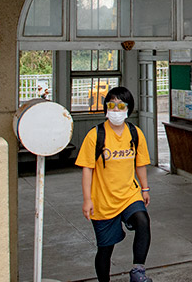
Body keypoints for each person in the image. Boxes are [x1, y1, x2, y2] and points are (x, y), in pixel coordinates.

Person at [75, 86, 153, 282]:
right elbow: (87, 169)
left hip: (129, 194)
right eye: (112, 105)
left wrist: (144, 188)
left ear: (128, 109)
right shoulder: (95, 135)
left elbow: (140, 164)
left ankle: (138, 271)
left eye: (120, 105)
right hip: (103, 200)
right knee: (105, 249)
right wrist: (87, 200)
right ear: (106, 108)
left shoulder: (135, 133)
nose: (116, 110)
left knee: (143, 221)